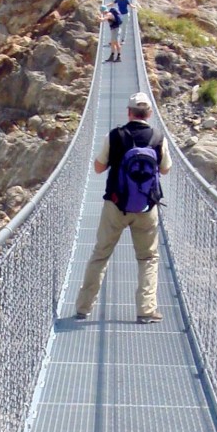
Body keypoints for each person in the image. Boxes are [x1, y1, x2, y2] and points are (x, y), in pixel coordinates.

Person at [75, 92, 171, 324]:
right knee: (148, 258)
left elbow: (98, 168)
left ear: (129, 112)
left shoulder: (115, 135)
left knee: (101, 254)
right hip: (147, 207)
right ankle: (146, 311)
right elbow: (165, 169)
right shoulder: (158, 137)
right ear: (149, 113)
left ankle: (83, 308)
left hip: (116, 205)